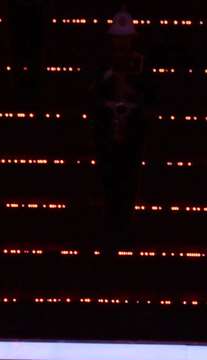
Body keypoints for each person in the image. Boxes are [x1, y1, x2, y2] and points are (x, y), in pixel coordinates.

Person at [91, 11, 152, 241]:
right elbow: (91, 94)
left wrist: (133, 94)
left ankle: (124, 225)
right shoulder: (101, 66)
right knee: (109, 180)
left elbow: (150, 96)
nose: (122, 44)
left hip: (132, 134)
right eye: (118, 39)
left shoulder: (141, 65)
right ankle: (111, 224)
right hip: (107, 134)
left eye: (125, 39)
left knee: (129, 179)